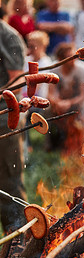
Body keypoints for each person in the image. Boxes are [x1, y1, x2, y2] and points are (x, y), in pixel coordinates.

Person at [0, 15, 27, 233]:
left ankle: (17, 245)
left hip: (3, 123)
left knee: (9, 187)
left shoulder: (8, 37)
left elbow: (17, 81)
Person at [46, 42, 84, 153]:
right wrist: (57, 103)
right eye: (70, 57)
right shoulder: (55, 70)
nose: (73, 60)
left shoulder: (83, 69)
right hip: (60, 102)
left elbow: (82, 96)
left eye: (74, 56)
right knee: (46, 111)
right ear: (61, 59)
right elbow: (50, 94)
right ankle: (49, 145)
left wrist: (69, 103)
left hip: (76, 103)